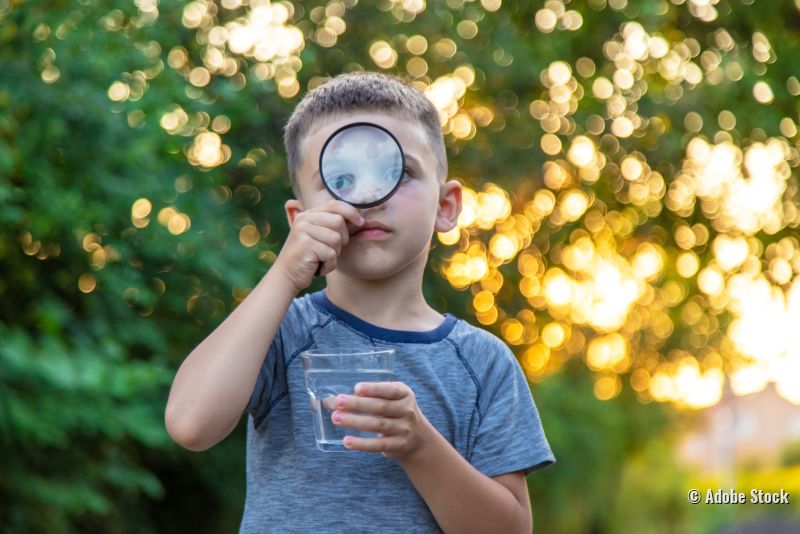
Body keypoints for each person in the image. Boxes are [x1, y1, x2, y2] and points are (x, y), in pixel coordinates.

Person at [165, 71, 555, 533]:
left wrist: (419, 445)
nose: (368, 198)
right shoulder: (279, 330)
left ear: (445, 206)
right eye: (342, 178)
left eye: (399, 172)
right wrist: (285, 275)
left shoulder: (483, 363)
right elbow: (191, 425)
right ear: (299, 218)